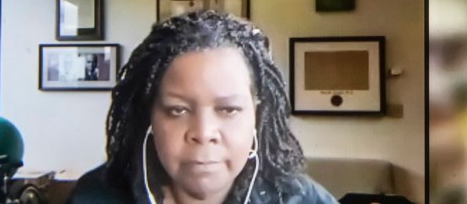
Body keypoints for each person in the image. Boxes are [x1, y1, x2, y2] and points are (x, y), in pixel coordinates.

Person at [69, 11, 338, 204]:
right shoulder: (96, 196)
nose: (204, 132)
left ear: (256, 115)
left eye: (229, 109)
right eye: (178, 110)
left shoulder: (301, 198)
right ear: (149, 114)